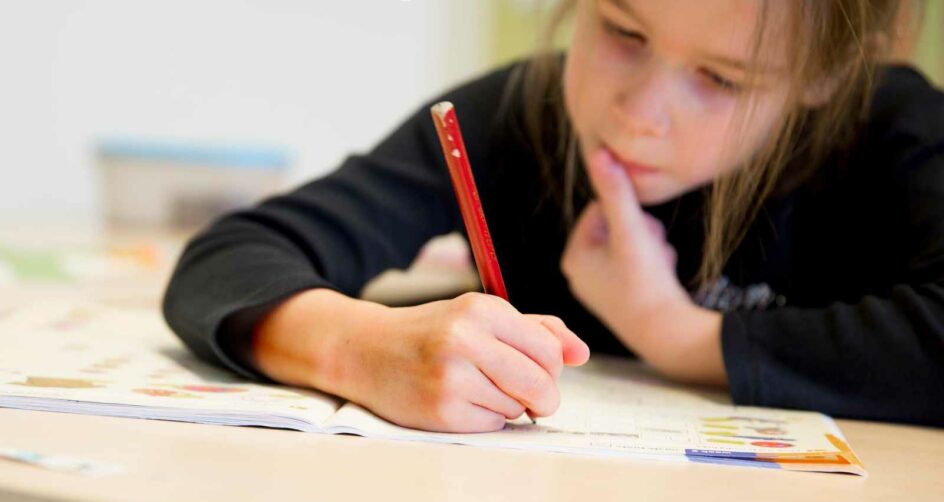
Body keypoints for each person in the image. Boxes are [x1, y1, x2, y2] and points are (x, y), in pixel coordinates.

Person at [163, 0, 944, 432]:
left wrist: (672, 332)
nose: (640, 115)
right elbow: (233, 255)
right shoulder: (515, 116)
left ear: (828, 76)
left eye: (722, 79)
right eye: (623, 31)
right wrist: (353, 347)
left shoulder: (893, 134)